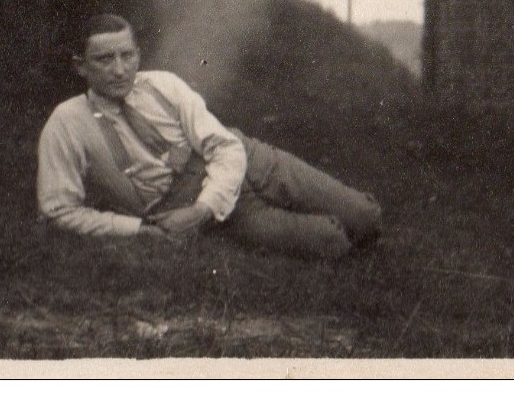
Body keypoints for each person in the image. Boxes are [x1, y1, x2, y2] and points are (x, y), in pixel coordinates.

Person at [36, 13, 382, 258]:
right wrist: (139, 230)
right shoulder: (66, 123)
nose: (119, 69)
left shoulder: (163, 84)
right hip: (195, 204)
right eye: (104, 59)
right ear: (80, 66)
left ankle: (352, 221)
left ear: (138, 55)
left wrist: (202, 210)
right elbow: (57, 210)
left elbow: (224, 146)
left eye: (127, 56)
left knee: (365, 218)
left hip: (247, 161)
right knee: (331, 241)